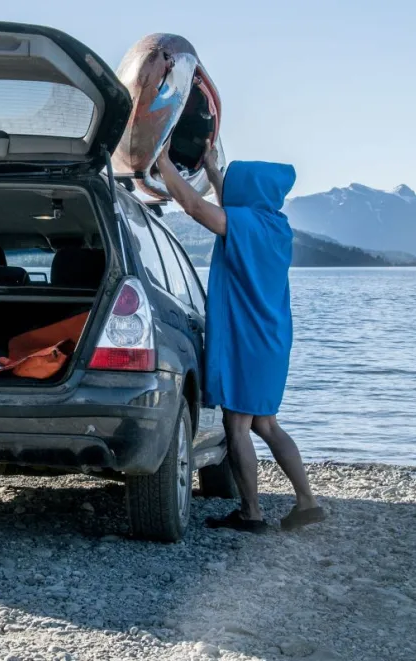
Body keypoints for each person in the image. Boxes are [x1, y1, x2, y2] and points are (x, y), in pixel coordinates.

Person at [155, 141, 325, 532]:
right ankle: (307, 501)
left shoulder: (247, 224)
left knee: (237, 427)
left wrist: (164, 163)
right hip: (271, 341)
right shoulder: (276, 226)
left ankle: (251, 513)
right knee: (266, 424)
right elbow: (229, 205)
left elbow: (198, 210)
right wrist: (213, 172)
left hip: (246, 340)